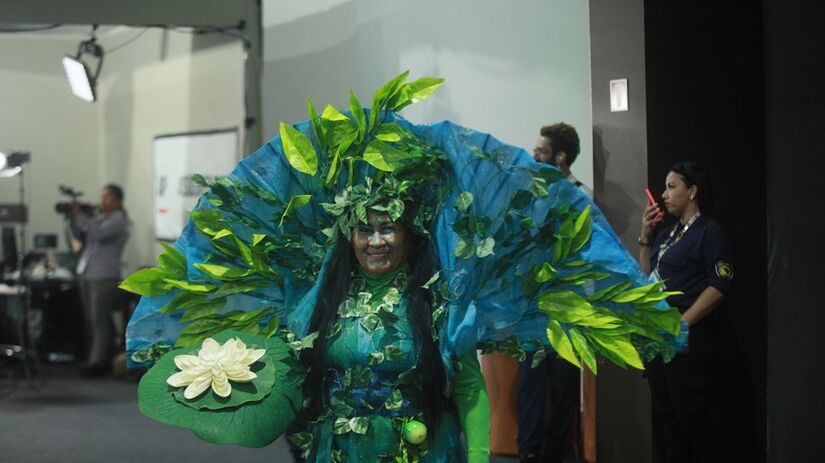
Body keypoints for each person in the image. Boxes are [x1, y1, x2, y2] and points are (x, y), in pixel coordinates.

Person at [122, 74, 685, 463]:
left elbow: (468, 391)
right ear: (349, 232)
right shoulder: (318, 299)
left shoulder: (440, 299)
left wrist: (482, 456)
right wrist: (236, 402)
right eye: (364, 228)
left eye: (387, 226)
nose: (375, 240)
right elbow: (292, 379)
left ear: (409, 230)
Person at [638, 161, 734, 463]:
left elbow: (719, 286)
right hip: (659, 341)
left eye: (671, 186)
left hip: (688, 342)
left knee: (693, 421)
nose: (664, 195)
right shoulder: (667, 235)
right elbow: (646, 282)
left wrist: (681, 325)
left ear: (692, 191)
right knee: (668, 423)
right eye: (664, 188)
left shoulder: (709, 232)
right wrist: (645, 236)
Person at [513, 123, 588, 463]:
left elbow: (588, 255)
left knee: (563, 385)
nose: (534, 155)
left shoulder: (582, 198)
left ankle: (559, 449)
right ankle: (528, 450)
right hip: (532, 306)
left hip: (569, 306)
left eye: (541, 151)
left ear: (559, 158)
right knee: (530, 382)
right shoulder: (530, 196)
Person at [68, 184, 129, 376]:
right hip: (88, 274)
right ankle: (99, 356)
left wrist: (80, 215)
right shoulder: (100, 218)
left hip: (104, 277)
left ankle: (98, 362)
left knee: (99, 321)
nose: (103, 201)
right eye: (102, 197)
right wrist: (72, 218)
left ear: (118, 201)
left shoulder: (119, 220)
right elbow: (80, 235)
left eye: (108, 198)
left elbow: (96, 234)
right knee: (92, 320)